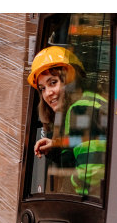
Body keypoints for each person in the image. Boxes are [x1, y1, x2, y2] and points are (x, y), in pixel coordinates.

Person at [27, 46, 109, 196]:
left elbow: (91, 174)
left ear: (71, 80)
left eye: (53, 83)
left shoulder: (82, 109)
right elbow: (83, 154)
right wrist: (55, 147)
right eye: (42, 88)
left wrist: (66, 193)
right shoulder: (88, 102)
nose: (48, 93)